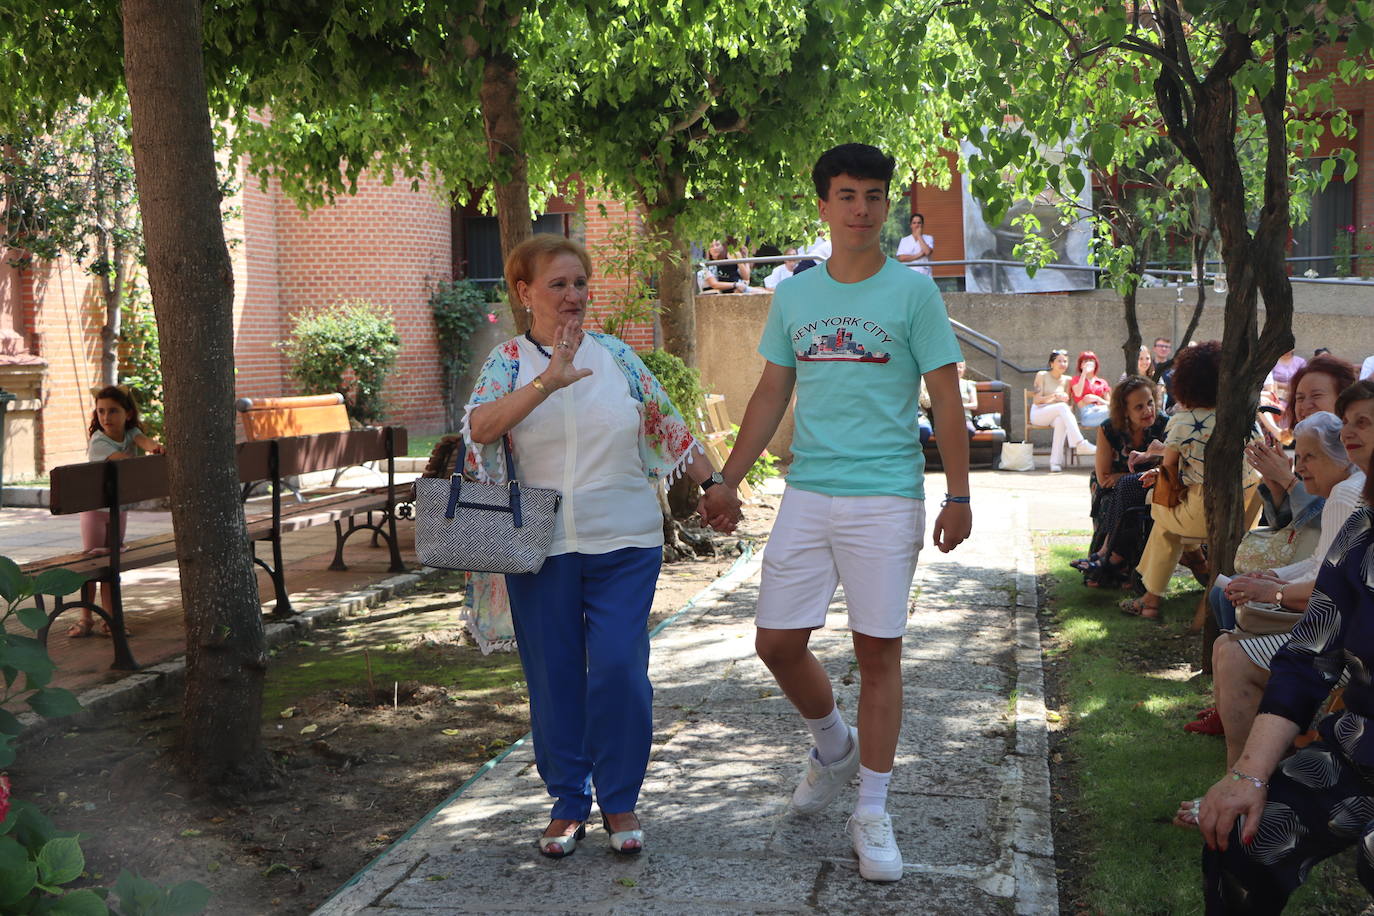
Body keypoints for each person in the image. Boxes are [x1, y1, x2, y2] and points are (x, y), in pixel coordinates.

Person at [699, 143, 971, 883]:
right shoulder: (796, 295)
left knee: (878, 652)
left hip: (886, 494)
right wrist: (727, 479)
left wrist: (959, 492)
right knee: (776, 643)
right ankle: (831, 744)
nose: (861, 209)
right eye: (847, 195)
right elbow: (769, 394)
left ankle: (873, 811)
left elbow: (945, 396)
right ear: (823, 205)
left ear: (888, 206)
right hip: (809, 490)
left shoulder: (914, 294)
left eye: (874, 196)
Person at [464, 235, 730, 859]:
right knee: (555, 678)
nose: (573, 296)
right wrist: (546, 384)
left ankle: (620, 798)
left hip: (626, 539)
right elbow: (477, 427)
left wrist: (714, 485)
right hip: (539, 543)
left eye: (580, 283)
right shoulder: (507, 361)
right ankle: (566, 801)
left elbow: (670, 426)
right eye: (558, 285)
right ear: (525, 293)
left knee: (617, 669)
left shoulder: (617, 356)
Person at [1195, 453, 1374, 913]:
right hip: (1361, 748)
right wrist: (1247, 775)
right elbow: (1307, 658)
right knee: (1237, 834)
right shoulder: (1364, 532)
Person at [1181, 410, 1367, 755]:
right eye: (1300, 455)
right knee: (1228, 643)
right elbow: (1321, 564)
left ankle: (1245, 776)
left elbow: (1327, 586)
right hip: (1343, 629)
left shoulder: (1345, 493)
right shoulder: (1350, 488)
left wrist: (1272, 590)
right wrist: (1271, 580)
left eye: (1310, 456)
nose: (1300, 465)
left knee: (1233, 654)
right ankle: (1252, 770)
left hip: (1348, 643)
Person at [1121, 341, 1260, 621]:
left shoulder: (1183, 422)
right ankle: (1198, 565)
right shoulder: (1245, 416)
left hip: (1206, 512)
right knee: (1172, 524)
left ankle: (1151, 600)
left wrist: (1158, 470)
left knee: (1163, 520)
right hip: (1248, 510)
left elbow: (1171, 471)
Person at [69, 386, 164, 639]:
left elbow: (144, 441)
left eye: (113, 411)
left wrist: (156, 447)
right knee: (91, 563)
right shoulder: (99, 441)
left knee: (112, 564)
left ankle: (111, 619)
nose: (105, 417)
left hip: (117, 511)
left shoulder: (131, 432)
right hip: (95, 512)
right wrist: (150, 460)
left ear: (128, 414)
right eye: (100, 411)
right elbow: (125, 460)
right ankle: (86, 617)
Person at [1074, 375, 1167, 588]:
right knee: (1115, 502)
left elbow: (1171, 466)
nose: (1148, 410)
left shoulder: (1165, 425)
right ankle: (1113, 565)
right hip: (1112, 488)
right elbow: (1105, 478)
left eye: (1150, 402)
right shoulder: (1109, 429)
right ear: (1125, 411)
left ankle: (1108, 559)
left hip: (1155, 483)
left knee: (1133, 499)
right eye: (1139, 407)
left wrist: (1130, 478)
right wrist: (1133, 478)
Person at [1246, 354, 1358, 529]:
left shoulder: (1356, 450)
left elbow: (1331, 525)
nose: (1305, 406)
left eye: (1316, 395)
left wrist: (1287, 480)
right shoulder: (1306, 444)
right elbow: (1286, 530)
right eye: (1299, 398)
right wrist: (1278, 490)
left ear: (1344, 399)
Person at [1030, 349, 1097, 472]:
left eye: (1065, 361)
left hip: (1057, 413)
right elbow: (1036, 400)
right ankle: (1080, 443)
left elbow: (1067, 405)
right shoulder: (1042, 375)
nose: (1063, 364)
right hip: (1039, 413)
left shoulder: (1067, 379)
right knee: (1061, 408)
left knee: (1061, 420)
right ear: (1051, 363)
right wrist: (1055, 397)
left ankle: (1055, 463)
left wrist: (1065, 401)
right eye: (1059, 361)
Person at [1258, 349, 1307, 444]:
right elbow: (1272, 389)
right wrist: (1288, 386)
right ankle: (1282, 435)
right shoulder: (1272, 362)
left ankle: (1290, 436)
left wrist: (1282, 385)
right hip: (1278, 398)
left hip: (1294, 395)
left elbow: (1303, 381)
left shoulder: (1300, 362)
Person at [1069, 350, 1111, 428]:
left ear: (1095, 364)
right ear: (1081, 365)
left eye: (1091, 361)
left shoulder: (1102, 382)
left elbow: (1110, 404)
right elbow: (1078, 393)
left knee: (1117, 412)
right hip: (1087, 414)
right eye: (1085, 361)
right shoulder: (1076, 380)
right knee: (1116, 415)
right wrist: (1084, 373)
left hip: (1103, 410)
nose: (1088, 363)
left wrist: (1098, 399)